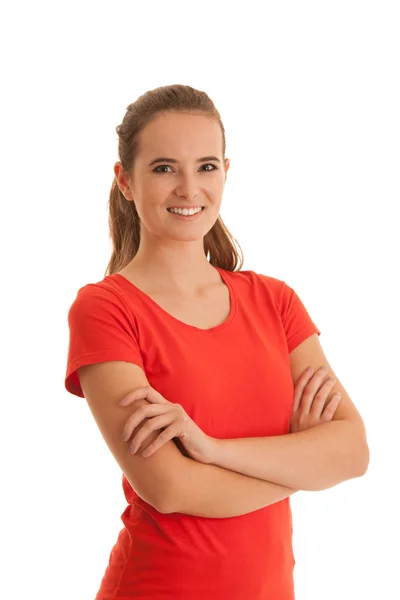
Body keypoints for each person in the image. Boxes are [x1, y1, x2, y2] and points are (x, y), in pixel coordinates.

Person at [64, 84, 369, 599]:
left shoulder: (275, 302)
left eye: (206, 166)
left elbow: (353, 451)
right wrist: (304, 468)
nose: (189, 188)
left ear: (226, 171)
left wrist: (210, 449)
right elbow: (169, 487)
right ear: (126, 181)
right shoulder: (106, 309)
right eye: (164, 168)